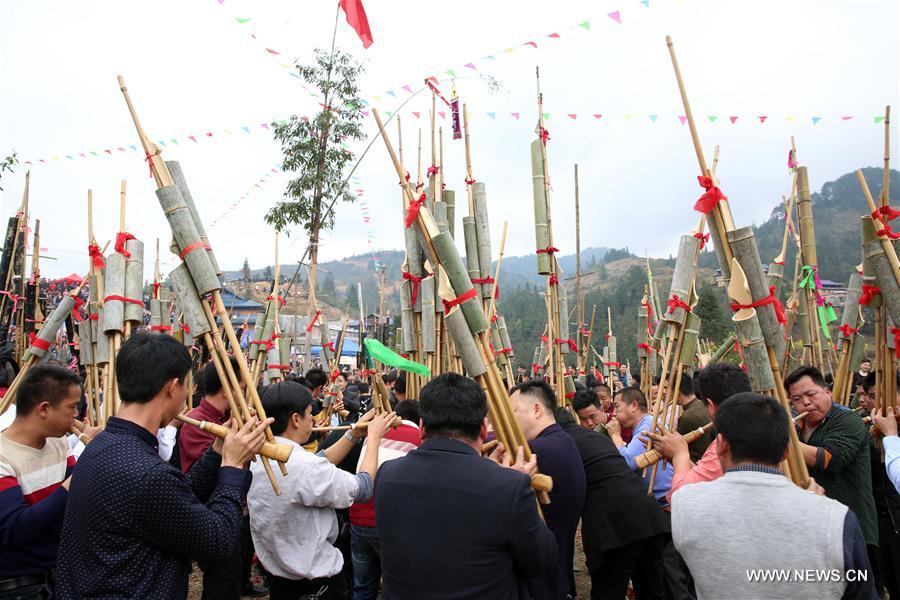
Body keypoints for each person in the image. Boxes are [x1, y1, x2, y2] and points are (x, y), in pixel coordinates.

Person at [56, 333, 271, 599]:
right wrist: (233, 465)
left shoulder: (103, 445)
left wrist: (217, 451)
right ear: (172, 387)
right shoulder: (144, 471)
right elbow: (218, 541)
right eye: (187, 388)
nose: (188, 397)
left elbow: (180, 497)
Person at [673, 392, 875, 600]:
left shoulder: (685, 503)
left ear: (721, 445)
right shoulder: (838, 519)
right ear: (788, 450)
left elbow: (688, 582)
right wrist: (813, 508)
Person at [375, 372, 557, 599]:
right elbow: (540, 560)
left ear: (422, 427)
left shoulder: (387, 476)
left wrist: (494, 476)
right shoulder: (509, 487)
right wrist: (514, 483)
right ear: (483, 428)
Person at [247, 381, 396, 600]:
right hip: (316, 585)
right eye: (310, 414)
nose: (314, 421)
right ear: (296, 419)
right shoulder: (302, 467)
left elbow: (317, 462)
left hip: (280, 581)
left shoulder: (260, 457)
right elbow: (363, 488)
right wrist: (374, 438)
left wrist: (355, 433)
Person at [556, 407, 669, 600]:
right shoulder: (597, 437)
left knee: (608, 592)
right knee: (652, 590)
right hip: (649, 516)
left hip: (616, 527)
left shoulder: (560, 445)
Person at [179, 357, 267, 599]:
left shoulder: (226, 418)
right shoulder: (197, 422)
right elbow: (212, 473)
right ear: (226, 389)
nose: (245, 393)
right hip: (213, 517)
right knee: (221, 583)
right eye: (242, 387)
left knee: (235, 573)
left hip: (235, 509)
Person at [0, 365, 86, 598]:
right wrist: (75, 479)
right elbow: (16, 528)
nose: (76, 414)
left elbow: (76, 501)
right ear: (44, 409)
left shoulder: (59, 443)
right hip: (21, 587)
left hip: (62, 577)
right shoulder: (2, 456)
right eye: (71, 407)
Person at [786, 366, 878, 570]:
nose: (806, 403)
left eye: (811, 394)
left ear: (826, 391)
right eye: (797, 399)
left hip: (853, 526)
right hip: (817, 530)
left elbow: (829, 460)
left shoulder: (847, 420)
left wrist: (785, 440)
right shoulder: (796, 427)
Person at [510, 381, 586, 599]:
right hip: (558, 570)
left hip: (541, 579)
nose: (509, 419)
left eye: (513, 411)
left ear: (536, 409)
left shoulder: (535, 451)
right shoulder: (564, 441)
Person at [348, 400, 423, 600]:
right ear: (420, 421)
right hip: (388, 523)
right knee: (397, 586)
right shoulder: (419, 439)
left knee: (362, 586)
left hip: (358, 518)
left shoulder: (373, 434)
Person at [859, 375, 900, 599]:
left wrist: (891, 437)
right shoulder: (864, 428)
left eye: (885, 396)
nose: (880, 403)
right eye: (874, 397)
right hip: (881, 522)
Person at [607, 386, 673, 503]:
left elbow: (627, 462)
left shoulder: (649, 425)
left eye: (617, 407)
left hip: (665, 498)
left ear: (633, 405)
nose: (613, 413)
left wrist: (616, 435)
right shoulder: (646, 422)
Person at [673, 374, 712, 462]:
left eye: (666, 388)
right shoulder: (702, 404)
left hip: (693, 464)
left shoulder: (688, 417)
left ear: (677, 392)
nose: (664, 392)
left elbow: (676, 446)